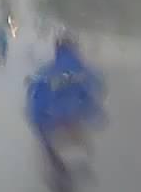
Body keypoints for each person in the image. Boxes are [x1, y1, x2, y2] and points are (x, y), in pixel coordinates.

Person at [25, 31, 107, 170]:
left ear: (57, 49)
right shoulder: (83, 68)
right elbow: (99, 85)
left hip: (51, 119)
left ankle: (56, 166)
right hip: (75, 116)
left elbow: (34, 89)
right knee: (81, 137)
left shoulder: (48, 69)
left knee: (45, 139)